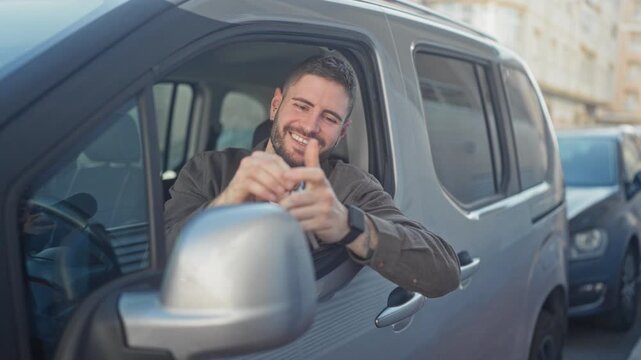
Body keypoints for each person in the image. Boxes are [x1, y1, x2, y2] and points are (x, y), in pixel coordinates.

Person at [164, 55, 460, 297]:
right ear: (276, 104)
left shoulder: (350, 187)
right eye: (302, 106)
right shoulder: (209, 169)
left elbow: (444, 271)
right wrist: (228, 203)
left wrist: (348, 225)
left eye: (329, 118)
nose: (309, 126)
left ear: (342, 131)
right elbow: (157, 264)